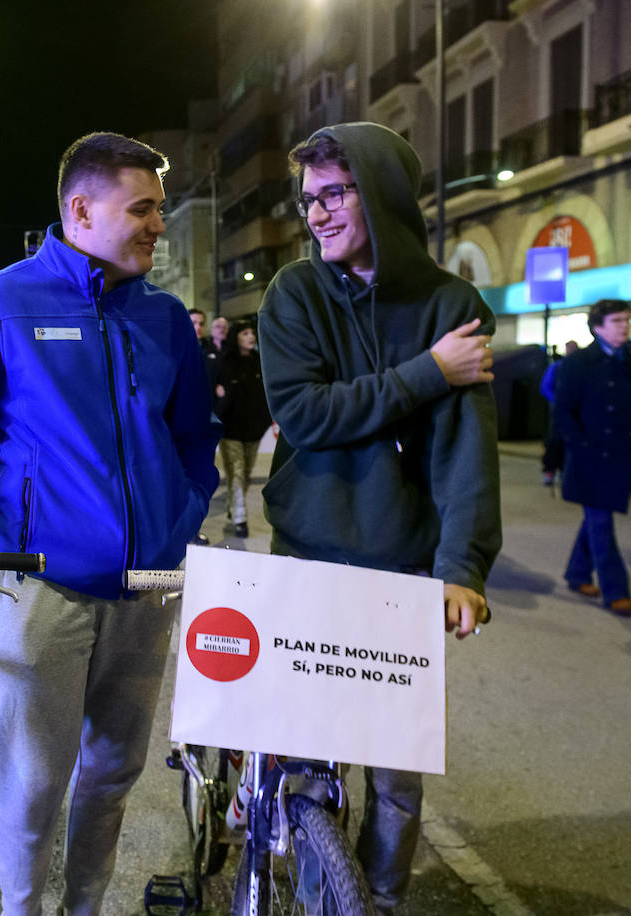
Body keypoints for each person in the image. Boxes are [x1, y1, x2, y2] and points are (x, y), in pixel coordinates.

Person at [0, 131, 219, 915]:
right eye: (144, 209)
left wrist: (184, 514)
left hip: (152, 582)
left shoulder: (166, 318)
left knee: (113, 774)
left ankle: (83, 908)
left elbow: (196, 436)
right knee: (35, 785)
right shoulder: (1, 301)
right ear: (81, 209)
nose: (158, 226)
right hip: (40, 587)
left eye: (160, 209)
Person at [257, 123, 502, 914]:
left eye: (334, 193)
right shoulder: (295, 293)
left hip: (405, 562)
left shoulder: (450, 304)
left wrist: (463, 568)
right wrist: (428, 372)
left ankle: (381, 902)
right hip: (310, 552)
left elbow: (466, 451)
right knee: (304, 759)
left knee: (395, 776)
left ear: (381, 193)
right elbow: (305, 414)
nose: (318, 214)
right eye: (310, 201)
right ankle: (307, 883)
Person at [555, 299, 631, 617]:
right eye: (617, 321)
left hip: (624, 454)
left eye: (627, 320)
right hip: (592, 457)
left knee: (595, 519)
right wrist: (579, 446)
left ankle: (577, 573)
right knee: (601, 521)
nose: (624, 326)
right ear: (598, 327)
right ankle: (616, 591)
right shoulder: (579, 363)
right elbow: (563, 413)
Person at [213, 319, 273, 539]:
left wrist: (267, 419)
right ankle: (240, 519)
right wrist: (219, 402)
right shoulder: (225, 361)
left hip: (254, 431)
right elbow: (213, 387)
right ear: (236, 336)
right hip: (230, 431)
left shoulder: (259, 361)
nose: (251, 336)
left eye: (252, 333)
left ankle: (232, 507)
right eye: (246, 333)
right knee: (236, 474)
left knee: (245, 475)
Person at [539, 339, 579, 485]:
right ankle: (550, 471)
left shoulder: (580, 367)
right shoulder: (557, 367)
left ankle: (565, 471)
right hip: (559, 411)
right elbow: (545, 387)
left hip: (575, 410)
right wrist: (557, 401)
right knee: (554, 441)